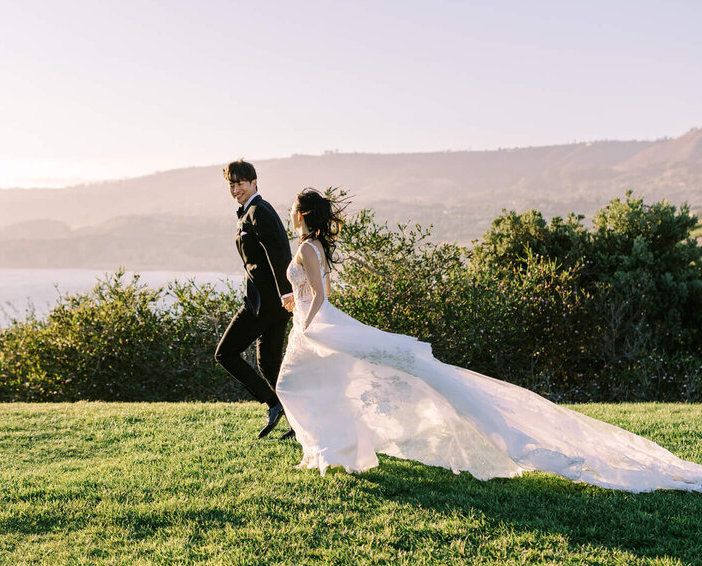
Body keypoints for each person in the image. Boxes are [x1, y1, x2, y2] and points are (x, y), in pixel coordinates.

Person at [276, 188, 702, 492]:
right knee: (312, 385)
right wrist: (298, 300)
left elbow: (322, 294)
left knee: (291, 384)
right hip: (315, 324)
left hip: (318, 327)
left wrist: (309, 321)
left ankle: (334, 449)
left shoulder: (308, 249)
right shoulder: (310, 246)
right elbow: (312, 291)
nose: (292, 213)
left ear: (303, 214)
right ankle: (335, 450)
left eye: (294, 209)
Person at [215, 159, 293, 439]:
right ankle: (299, 420)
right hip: (273, 302)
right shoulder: (249, 213)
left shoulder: (260, 211)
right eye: (231, 184)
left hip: (267, 303)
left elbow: (280, 253)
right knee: (270, 363)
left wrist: (287, 293)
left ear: (254, 182)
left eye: (240, 183)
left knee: (225, 353)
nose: (236, 189)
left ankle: (273, 403)